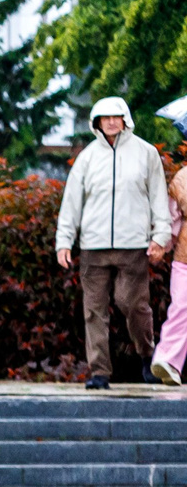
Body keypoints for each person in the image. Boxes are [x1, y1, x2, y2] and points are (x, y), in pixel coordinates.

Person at [57, 96, 167, 389]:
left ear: (125, 119)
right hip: (93, 247)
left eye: (116, 116)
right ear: (96, 122)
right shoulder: (87, 157)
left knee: (132, 304)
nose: (110, 121)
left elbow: (158, 197)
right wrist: (64, 241)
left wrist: (160, 237)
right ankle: (100, 373)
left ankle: (147, 355)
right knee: (93, 310)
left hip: (134, 246)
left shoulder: (146, 153)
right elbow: (72, 203)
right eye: (104, 117)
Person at [152, 162, 187, 385]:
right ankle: (168, 361)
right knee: (180, 308)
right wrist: (160, 245)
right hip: (185, 257)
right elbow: (171, 219)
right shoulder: (182, 178)